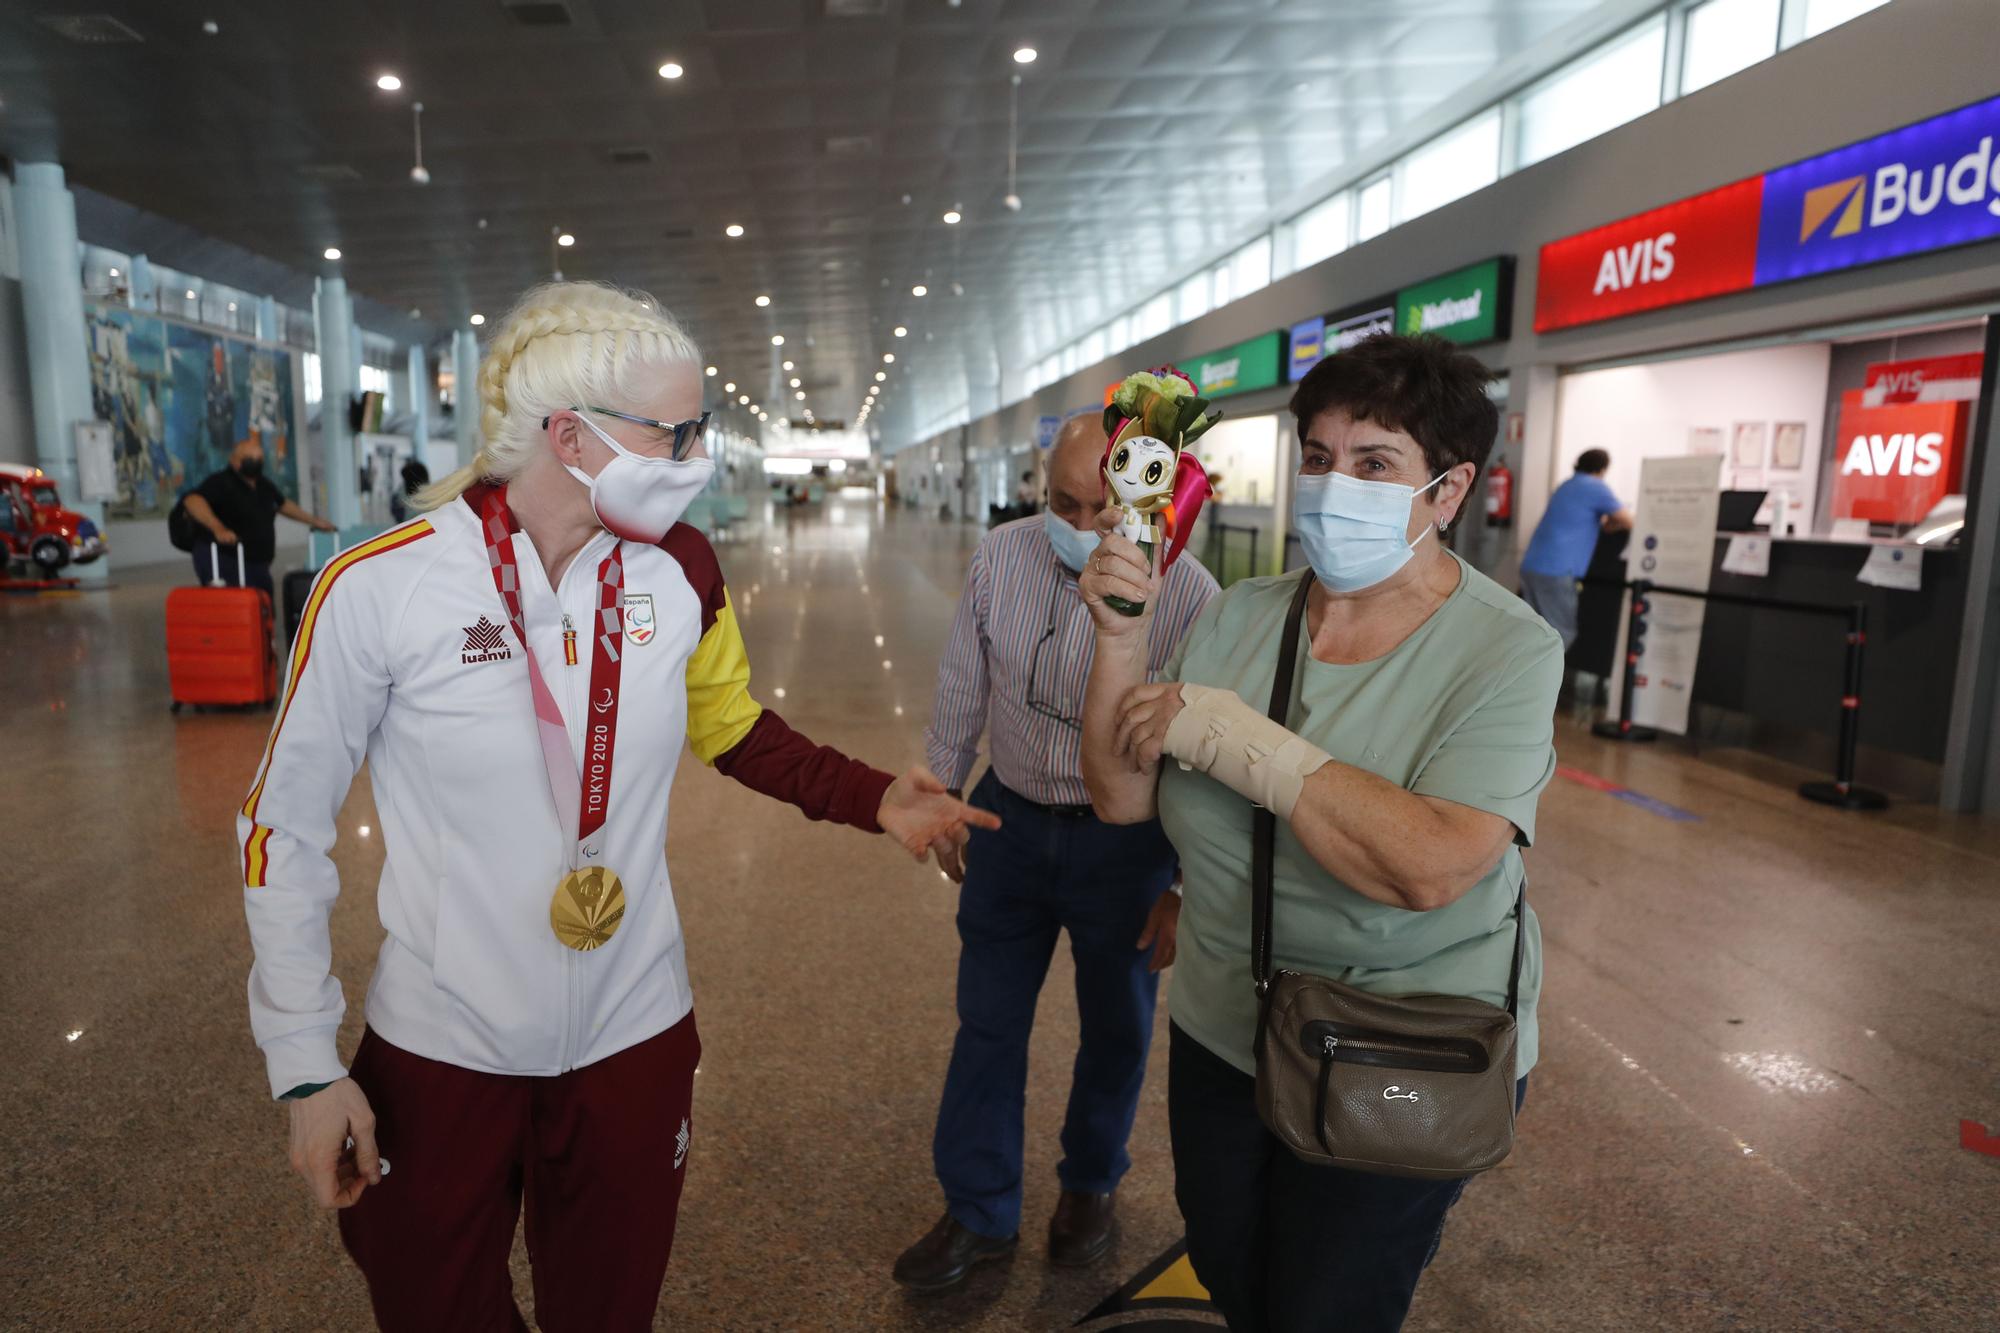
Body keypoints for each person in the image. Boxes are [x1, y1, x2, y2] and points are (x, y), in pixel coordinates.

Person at [239, 281, 998, 1333]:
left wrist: (874, 799)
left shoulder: (680, 566)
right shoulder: (381, 587)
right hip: (441, 1043)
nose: (695, 458)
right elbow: (282, 828)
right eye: (674, 432)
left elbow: (730, 723)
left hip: (633, 1030)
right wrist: (306, 1068)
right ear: (569, 435)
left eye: (702, 431)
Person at [1078, 333, 1561, 1332]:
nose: (1333, 484)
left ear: (1447, 489)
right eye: (1318, 457)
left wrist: (1224, 731)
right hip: (1225, 1022)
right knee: (1226, 1262)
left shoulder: (1503, 649)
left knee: (1325, 1304)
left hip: (1400, 1039)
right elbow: (1124, 800)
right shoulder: (1241, 616)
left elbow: (1428, 867)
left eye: (1373, 461)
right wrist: (1119, 641)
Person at [898, 413, 1218, 1291]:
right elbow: (965, 677)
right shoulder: (1002, 556)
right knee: (988, 1021)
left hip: (1127, 847)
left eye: (1101, 513)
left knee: (1117, 1026)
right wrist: (944, 792)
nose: (1078, 529)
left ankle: (1089, 1185)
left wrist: (1183, 884)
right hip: (1009, 822)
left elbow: (1200, 751)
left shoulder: (1189, 591)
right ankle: (978, 1208)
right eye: (1061, 502)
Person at [182, 433, 337, 597]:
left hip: (258, 563)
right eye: (250, 458)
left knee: (262, 607)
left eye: (259, 458)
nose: (255, 462)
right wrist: (218, 529)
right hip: (227, 559)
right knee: (236, 610)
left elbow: (282, 504)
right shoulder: (220, 482)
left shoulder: (263, 484)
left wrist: (314, 521)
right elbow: (192, 501)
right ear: (234, 460)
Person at [1517, 448, 1631, 650]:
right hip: (1556, 571)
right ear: (1603, 469)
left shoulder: (1567, 485)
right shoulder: (1596, 487)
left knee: (1532, 633)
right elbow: (1627, 521)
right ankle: (1547, 681)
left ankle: (1523, 679)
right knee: (1560, 636)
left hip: (1532, 566)